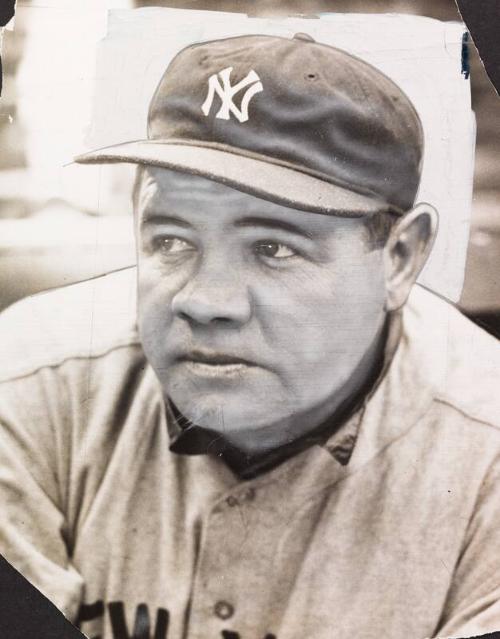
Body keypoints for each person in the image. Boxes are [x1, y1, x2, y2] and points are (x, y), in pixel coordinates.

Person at [1, 33, 500, 639]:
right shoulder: (29, 380)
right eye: (171, 240)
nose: (206, 302)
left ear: (399, 256)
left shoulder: (485, 449)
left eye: (272, 247)